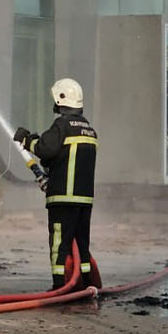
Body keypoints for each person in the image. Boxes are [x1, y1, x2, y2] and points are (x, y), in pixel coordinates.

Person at [14, 77, 102, 290]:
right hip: (84, 200)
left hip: (63, 198)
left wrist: (27, 140)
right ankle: (87, 284)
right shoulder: (89, 129)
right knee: (82, 245)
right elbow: (61, 157)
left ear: (62, 99)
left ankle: (59, 286)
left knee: (59, 246)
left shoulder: (62, 125)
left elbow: (45, 149)